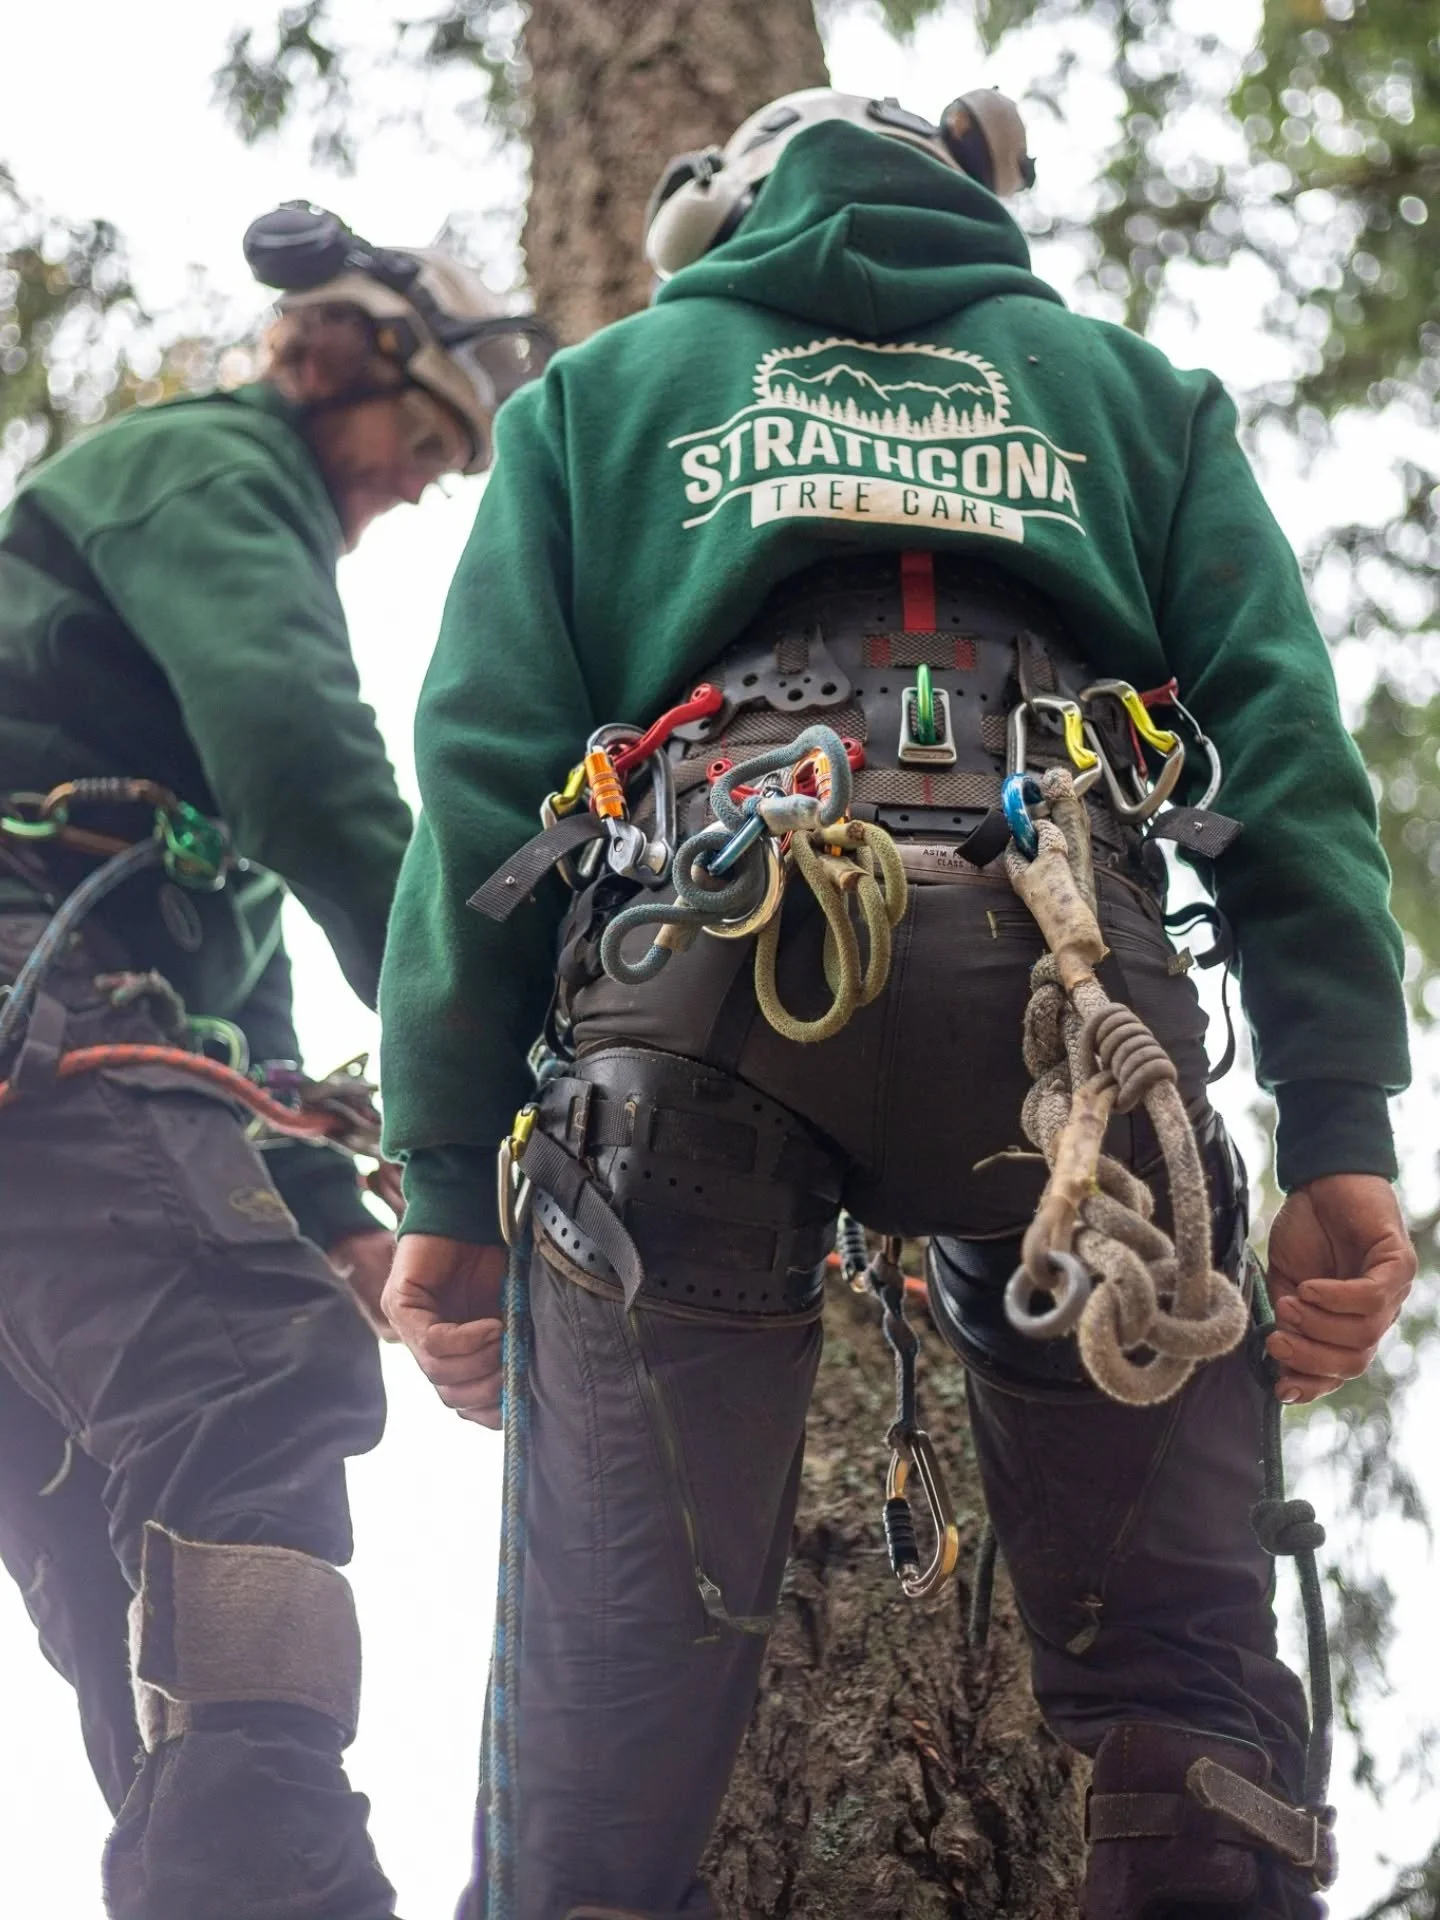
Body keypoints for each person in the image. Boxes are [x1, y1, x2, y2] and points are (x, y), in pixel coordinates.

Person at [377, 89, 1416, 1920]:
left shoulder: (597, 399)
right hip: (1073, 994)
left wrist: (449, 1182)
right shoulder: (1126, 392)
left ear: (727, 212)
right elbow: (1288, 769)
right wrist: (1341, 1127)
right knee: (1178, 1697)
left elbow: (482, 792)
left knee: (602, 1714)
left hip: (702, 985)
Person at [0, 204, 545, 1920]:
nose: (408, 488)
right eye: (420, 442)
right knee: (249, 1383)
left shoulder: (135, 798)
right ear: (344, 355)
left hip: (66, 1028)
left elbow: (227, 992)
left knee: (110, 1545)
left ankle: (217, 1882)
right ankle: (279, 1889)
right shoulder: (215, 473)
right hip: (40, 993)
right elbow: (306, 768)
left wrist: (339, 1207)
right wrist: (492, 1074)